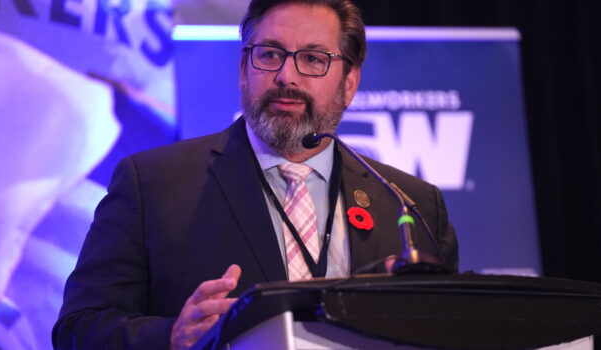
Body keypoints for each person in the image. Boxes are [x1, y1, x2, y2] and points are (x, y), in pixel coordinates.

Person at [52, 0, 459, 349]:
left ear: (349, 83)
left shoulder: (410, 204)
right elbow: (78, 329)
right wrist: (172, 336)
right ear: (244, 67)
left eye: (313, 59)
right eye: (269, 54)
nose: (287, 76)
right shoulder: (153, 185)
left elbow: (451, 330)